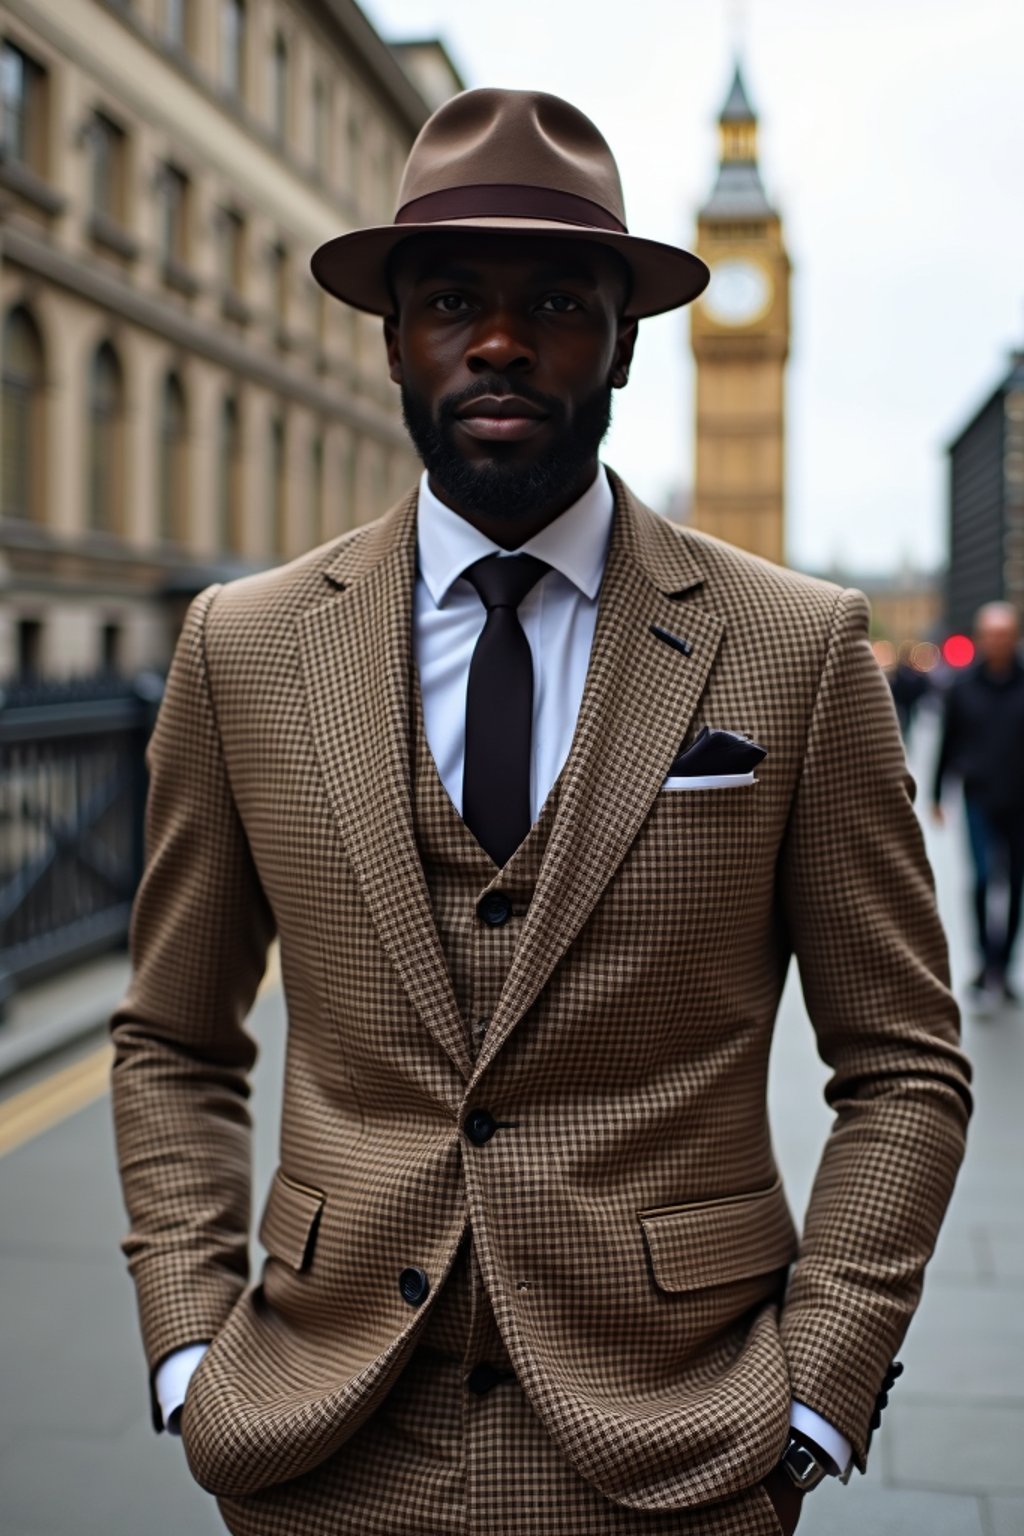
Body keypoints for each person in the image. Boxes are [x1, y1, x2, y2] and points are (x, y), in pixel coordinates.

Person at [111, 89, 971, 1536]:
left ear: (625, 339)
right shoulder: (242, 648)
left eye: (557, 301)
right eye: (453, 298)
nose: (500, 341)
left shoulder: (797, 646)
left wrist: (818, 1392)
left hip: (683, 1454)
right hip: (320, 1442)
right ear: (392, 333)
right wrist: (192, 1346)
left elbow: (902, 1063)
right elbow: (174, 1037)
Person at [932, 601, 1024, 1006]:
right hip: (978, 798)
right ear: (982, 638)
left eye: (1005, 634)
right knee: (984, 878)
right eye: (992, 634)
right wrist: (936, 794)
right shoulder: (963, 686)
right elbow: (947, 743)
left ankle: (1002, 968)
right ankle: (985, 964)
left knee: (1016, 882)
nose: (998, 642)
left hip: (1021, 799)